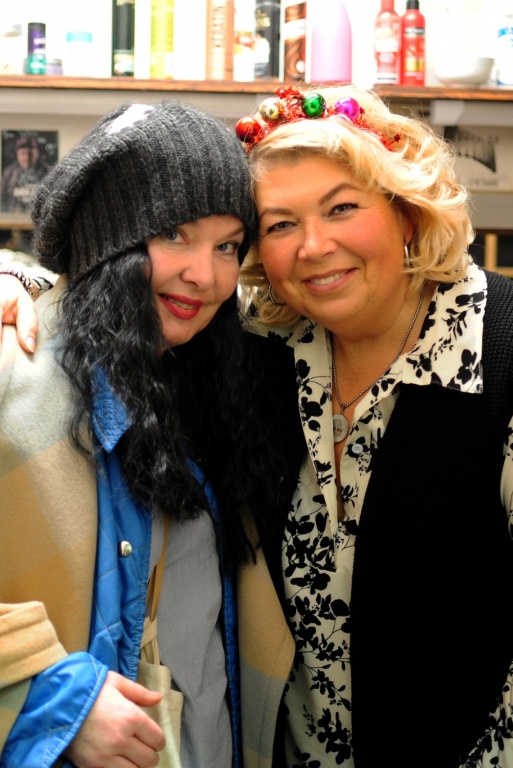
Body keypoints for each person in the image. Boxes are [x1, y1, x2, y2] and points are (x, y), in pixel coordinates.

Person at [6, 82, 513, 768]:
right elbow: (105, 287)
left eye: (341, 208)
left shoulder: (497, 350)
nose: (313, 246)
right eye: (277, 225)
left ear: (406, 211)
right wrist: (26, 283)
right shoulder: (266, 354)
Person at [0, 99, 303, 768]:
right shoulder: (14, 369)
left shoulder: (217, 389)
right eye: (174, 235)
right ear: (107, 240)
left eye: (228, 246)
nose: (206, 275)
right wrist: (49, 702)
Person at [1, 135, 52, 213]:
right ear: (17, 155)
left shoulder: (47, 171)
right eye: (22, 153)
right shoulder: (8, 173)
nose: (26, 157)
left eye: (29, 153)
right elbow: (2, 198)